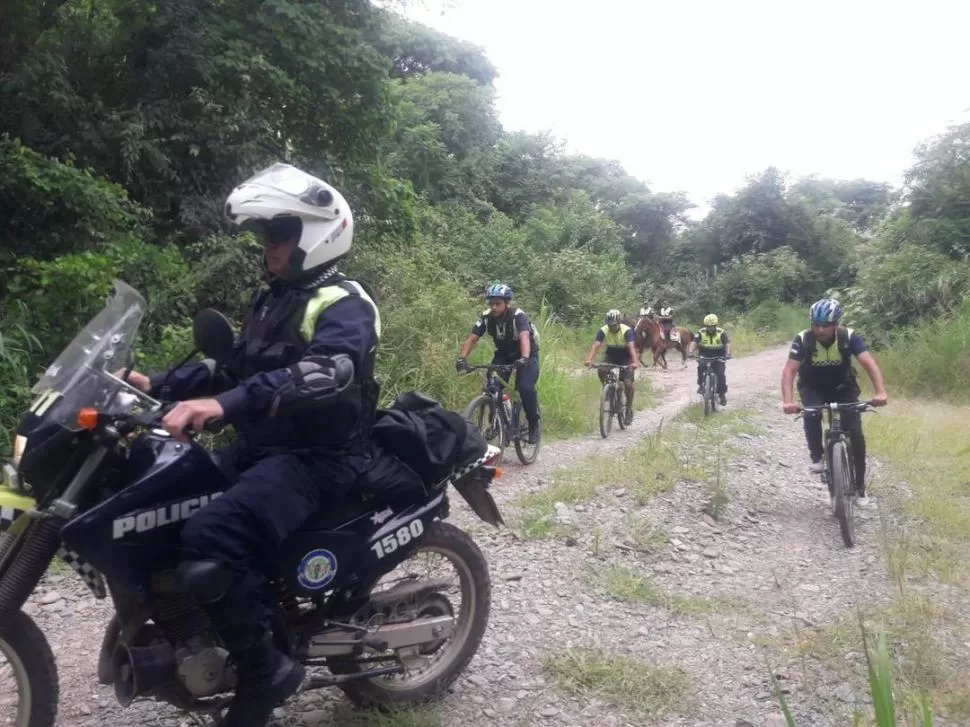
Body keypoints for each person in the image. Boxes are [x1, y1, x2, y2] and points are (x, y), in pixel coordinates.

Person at [125, 163, 380, 727]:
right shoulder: (273, 299)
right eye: (265, 235)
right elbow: (233, 369)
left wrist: (224, 406)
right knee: (162, 500)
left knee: (212, 533)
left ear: (316, 234)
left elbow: (327, 372)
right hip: (264, 449)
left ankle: (263, 679)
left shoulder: (345, 304)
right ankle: (193, 629)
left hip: (321, 459)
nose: (268, 246)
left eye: (278, 234)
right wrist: (157, 384)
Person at [781, 297, 888, 502]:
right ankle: (817, 456)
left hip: (843, 387)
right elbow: (789, 371)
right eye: (816, 325)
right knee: (811, 412)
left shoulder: (849, 337)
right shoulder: (803, 339)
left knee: (855, 433)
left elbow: (868, 363)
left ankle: (859, 487)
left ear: (836, 324)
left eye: (826, 325)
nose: (820, 330)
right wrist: (788, 400)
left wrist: (880, 392)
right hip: (813, 386)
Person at [456, 284, 541, 442]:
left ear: (506, 303)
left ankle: (533, 425)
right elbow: (472, 338)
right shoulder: (486, 317)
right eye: (491, 303)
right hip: (503, 355)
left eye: (498, 303)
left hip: (527, 355)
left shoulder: (518, 316)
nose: (494, 307)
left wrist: (524, 358)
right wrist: (462, 358)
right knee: (492, 387)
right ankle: (496, 423)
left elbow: (524, 336)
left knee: (525, 387)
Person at [585, 309, 639, 424]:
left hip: (625, 356)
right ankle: (609, 390)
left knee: (628, 384)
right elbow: (596, 345)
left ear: (619, 322)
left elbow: (631, 347)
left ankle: (628, 410)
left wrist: (634, 362)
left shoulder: (627, 331)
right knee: (601, 370)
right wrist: (589, 359)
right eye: (609, 325)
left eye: (613, 325)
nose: (611, 328)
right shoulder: (604, 330)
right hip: (611, 354)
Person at [692, 314, 731, 405]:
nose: (710, 328)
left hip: (719, 355)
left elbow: (727, 344)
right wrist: (690, 352)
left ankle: (721, 394)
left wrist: (728, 354)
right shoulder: (700, 332)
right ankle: (701, 385)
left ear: (715, 325)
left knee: (721, 374)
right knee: (701, 367)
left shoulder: (721, 332)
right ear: (705, 326)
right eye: (708, 326)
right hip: (704, 354)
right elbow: (694, 342)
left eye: (712, 326)